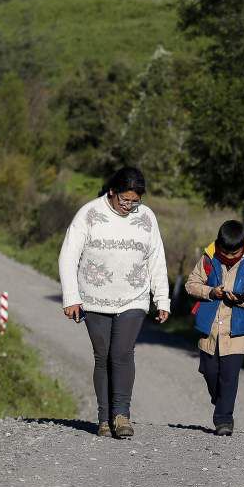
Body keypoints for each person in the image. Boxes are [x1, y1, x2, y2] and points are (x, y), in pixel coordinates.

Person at [58, 167, 170, 438]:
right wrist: (71, 297)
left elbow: (156, 258)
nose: (129, 206)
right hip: (94, 299)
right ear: (112, 191)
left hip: (134, 297)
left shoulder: (146, 218)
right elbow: (69, 255)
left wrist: (162, 298)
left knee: (122, 353)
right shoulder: (89, 214)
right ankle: (104, 419)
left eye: (135, 201)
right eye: (125, 200)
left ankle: (121, 416)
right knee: (103, 356)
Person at [185, 220, 244, 436]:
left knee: (229, 376)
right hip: (209, 329)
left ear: (243, 246)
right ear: (219, 245)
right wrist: (211, 292)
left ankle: (224, 420)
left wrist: (243, 299)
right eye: (226, 253)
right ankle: (220, 400)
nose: (230, 257)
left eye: (236, 254)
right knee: (210, 371)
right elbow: (191, 284)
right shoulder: (207, 258)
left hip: (238, 331)